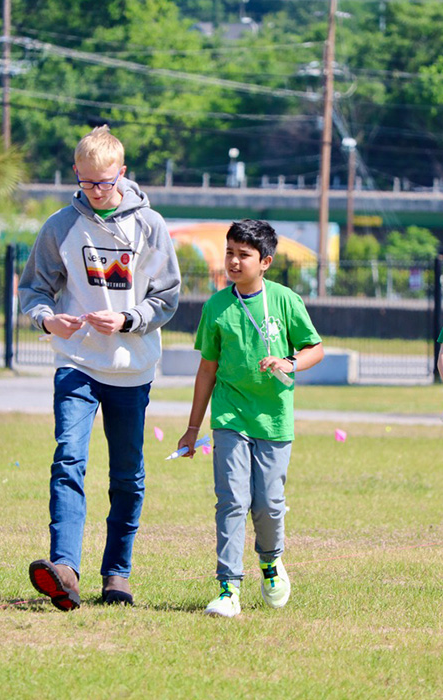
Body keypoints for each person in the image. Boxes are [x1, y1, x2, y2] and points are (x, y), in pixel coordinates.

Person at [19, 126, 181, 611]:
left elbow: (168, 297)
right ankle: (64, 569)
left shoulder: (150, 225)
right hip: (77, 364)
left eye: (105, 183)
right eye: (86, 183)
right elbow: (33, 291)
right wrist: (49, 320)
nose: (96, 192)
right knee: (68, 458)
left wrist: (130, 318)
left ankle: (117, 574)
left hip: (132, 368)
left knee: (127, 475)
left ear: (123, 174)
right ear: (77, 175)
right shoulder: (59, 226)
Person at [177, 219, 323, 617]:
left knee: (268, 504)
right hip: (230, 416)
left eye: (244, 255)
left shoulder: (286, 301)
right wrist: (192, 429)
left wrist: (290, 363)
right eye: (230, 253)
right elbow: (207, 369)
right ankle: (228, 589)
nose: (234, 261)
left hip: (274, 420)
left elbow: (315, 349)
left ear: (266, 262)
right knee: (232, 500)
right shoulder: (216, 307)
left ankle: (271, 561)